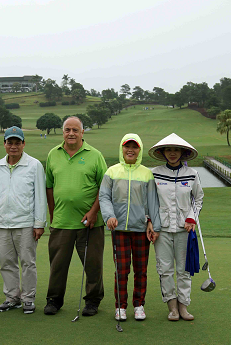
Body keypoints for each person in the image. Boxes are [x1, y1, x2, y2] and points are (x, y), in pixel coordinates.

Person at [44, 116, 107, 316]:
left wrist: (94, 211)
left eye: (75, 130)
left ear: (82, 133)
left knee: (93, 265)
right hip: (62, 222)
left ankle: (93, 301)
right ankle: (54, 300)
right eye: (67, 130)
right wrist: (53, 215)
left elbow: (105, 188)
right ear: (63, 132)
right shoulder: (53, 154)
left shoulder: (95, 155)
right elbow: (50, 187)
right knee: (57, 265)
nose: (71, 133)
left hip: (90, 222)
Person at [99, 133, 160, 321]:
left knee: (141, 270)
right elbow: (104, 197)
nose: (130, 150)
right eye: (127, 146)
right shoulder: (111, 172)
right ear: (122, 148)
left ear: (139, 150)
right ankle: (120, 306)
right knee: (122, 270)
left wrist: (152, 223)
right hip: (119, 230)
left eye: (134, 147)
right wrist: (109, 216)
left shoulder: (146, 173)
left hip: (141, 230)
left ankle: (139, 305)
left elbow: (152, 203)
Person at [0, 126, 47, 314]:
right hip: (2, 223)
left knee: (28, 262)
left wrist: (39, 223)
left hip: (25, 223)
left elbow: (40, 196)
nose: (13, 146)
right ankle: (12, 297)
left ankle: (28, 298)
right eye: (10, 143)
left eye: (17, 143)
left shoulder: (34, 165)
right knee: (6, 262)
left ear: (23, 144)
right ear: (4, 144)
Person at [148, 133, 203, 321]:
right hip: (161, 229)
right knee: (165, 269)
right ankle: (172, 307)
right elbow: (150, 201)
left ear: (183, 152)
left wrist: (191, 218)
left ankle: (184, 306)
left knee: (184, 270)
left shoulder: (192, 174)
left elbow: (198, 199)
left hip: (184, 230)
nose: (172, 153)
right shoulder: (154, 173)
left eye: (176, 150)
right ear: (163, 152)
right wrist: (150, 222)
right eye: (169, 150)